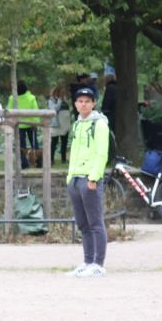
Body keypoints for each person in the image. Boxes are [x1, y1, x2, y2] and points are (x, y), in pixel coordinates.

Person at [65, 86, 109, 278]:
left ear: (93, 104)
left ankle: (98, 264)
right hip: (75, 178)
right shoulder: (77, 124)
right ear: (75, 104)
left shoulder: (99, 124)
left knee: (95, 222)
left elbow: (101, 153)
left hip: (89, 179)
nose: (83, 104)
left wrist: (94, 177)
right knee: (82, 223)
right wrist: (70, 177)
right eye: (80, 101)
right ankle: (87, 261)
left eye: (87, 101)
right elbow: (74, 152)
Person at [8, 81, 41, 169]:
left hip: (18, 124)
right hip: (31, 124)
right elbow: (36, 111)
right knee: (35, 144)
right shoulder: (31, 98)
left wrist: (11, 123)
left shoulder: (12, 98)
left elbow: (9, 111)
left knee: (21, 146)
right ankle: (38, 162)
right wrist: (36, 122)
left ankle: (24, 163)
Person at [48, 86, 72, 165]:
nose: (63, 94)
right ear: (57, 92)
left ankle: (63, 159)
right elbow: (54, 109)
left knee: (64, 142)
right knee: (54, 143)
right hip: (56, 125)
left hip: (64, 125)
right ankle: (51, 159)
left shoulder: (64, 100)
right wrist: (59, 100)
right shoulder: (51, 101)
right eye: (62, 93)